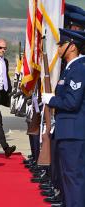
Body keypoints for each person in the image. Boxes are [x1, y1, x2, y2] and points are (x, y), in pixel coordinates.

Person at [42, 28, 85, 207]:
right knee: (68, 177)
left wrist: (52, 99)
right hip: (67, 131)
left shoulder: (78, 69)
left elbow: (72, 102)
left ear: (72, 47)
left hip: (73, 133)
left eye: (62, 45)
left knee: (73, 177)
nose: (58, 48)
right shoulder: (70, 69)